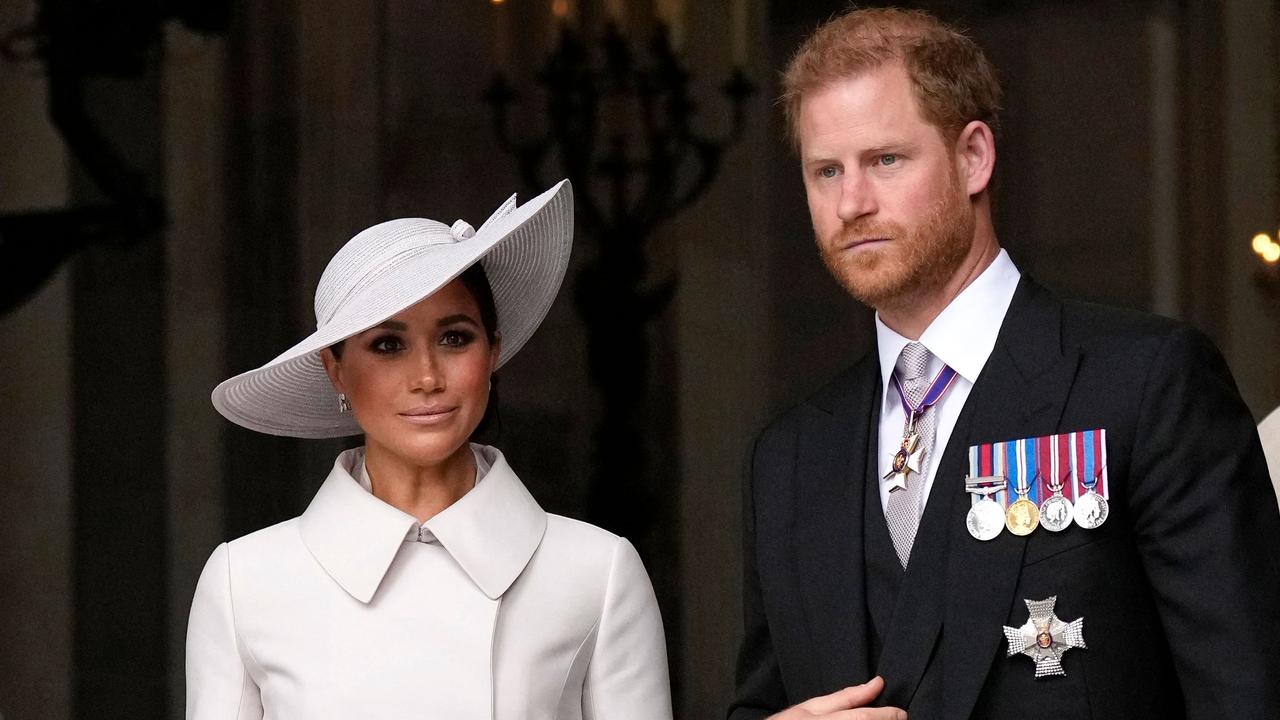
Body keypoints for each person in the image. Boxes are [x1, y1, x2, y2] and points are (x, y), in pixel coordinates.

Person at [730, 8, 1280, 720]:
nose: (851, 203)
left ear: (974, 158)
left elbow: (1248, 697)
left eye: (885, 160)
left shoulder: (1146, 386)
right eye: (825, 171)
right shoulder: (788, 459)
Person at [186, 180, 673, 719]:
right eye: (388, 345)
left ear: (494, 351)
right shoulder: (244, 583)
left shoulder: (596, 572)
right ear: (336, 370)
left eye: (455, 338)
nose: (426, 377)